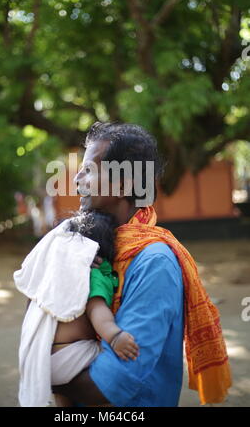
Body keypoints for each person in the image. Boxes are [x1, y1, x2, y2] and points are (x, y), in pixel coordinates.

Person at [53, 121, 232, 407]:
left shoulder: (153, 262)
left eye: (89, 170)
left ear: (124, 182)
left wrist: (44, 369)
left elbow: (111, 386)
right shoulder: (95, 247)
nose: (77, 180)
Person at [14, 210, 139, 407]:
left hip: (41, 360)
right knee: (112, 390)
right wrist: (115, 337)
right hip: (72, 356)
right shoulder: (92, 276)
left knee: (66, 401)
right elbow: (97, 310)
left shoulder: (48, 278)